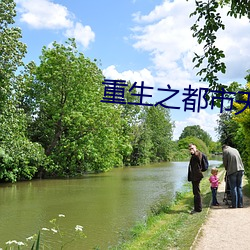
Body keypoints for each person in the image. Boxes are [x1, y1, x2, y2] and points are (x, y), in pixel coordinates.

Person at [188, 143, 204, 214]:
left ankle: (198, 209)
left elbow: (198, 158)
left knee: (196, 192)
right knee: (196, 192)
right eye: (190, 149)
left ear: (195, 148)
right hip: (195, 176)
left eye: (192, 148)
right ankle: (197, 208)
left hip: (196, 176)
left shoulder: (198, 154)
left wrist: (194, 152)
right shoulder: (194, 155)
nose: (191, 150)